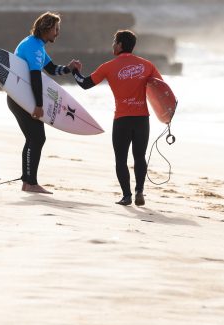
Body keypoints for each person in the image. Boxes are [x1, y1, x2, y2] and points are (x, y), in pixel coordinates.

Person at [70, 29, 163, 206]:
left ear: (120, 45)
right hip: (142, 118)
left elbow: (85, 84)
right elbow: (161, 90)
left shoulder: (108, 67)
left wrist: (75, 71)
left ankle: (127, 196)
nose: (113, 45)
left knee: (121, 159)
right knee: (140, 157)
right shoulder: (147, 65)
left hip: (122, 119)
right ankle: (139, 191)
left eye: (114, 42)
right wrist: (166, 115)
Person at [10, 11, 80, 194]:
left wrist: (69, 68)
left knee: (33, 138)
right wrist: (39, 106)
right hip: (24, 99)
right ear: (47, 28)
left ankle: (28, 182)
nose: (57, 33)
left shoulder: (37, 46)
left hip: (20, 98)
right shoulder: (33, 47)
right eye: (56, 29)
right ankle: (30, 183)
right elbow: (35, 78)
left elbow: (50, 69)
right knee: (37, 138)